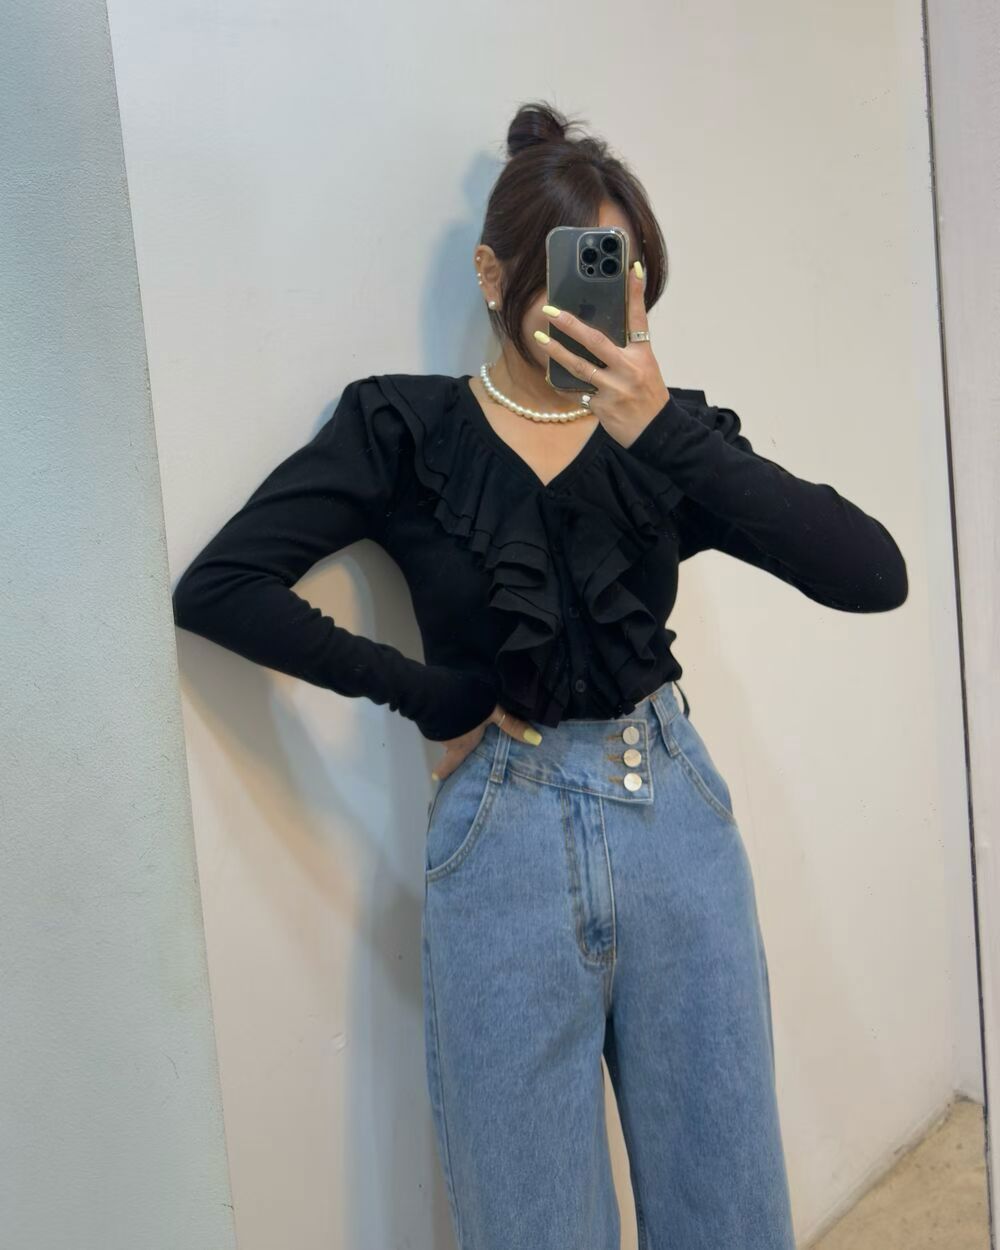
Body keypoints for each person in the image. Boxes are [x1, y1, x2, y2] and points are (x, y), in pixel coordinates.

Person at [172, 100, 907, 1249]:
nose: (601, 301)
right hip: (499, 842)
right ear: (492, 273)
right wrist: (431, 695)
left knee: (727, 1209)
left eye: (624, 274)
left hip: (676, 824)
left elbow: (871, 573)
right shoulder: (404, 429)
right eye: (577, 269)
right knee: (529, 1223)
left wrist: (661, 426)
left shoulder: (667, 442)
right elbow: (220, 586)